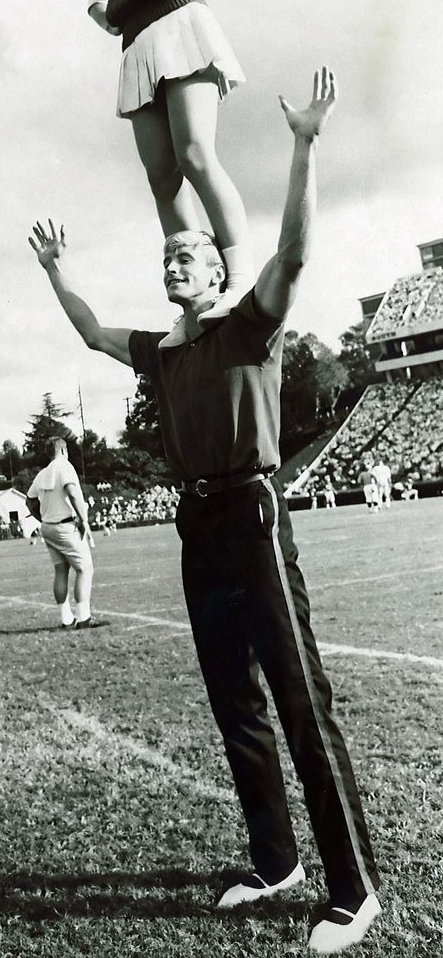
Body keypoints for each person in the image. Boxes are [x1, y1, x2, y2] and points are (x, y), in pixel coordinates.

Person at [30, 69, 381, 954]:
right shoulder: (165, 350)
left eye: (187, 253)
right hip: (197, 526)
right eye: (166, 256)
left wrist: (302, 146)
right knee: (235, 700)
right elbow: (91, 332)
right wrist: (56, 270)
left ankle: (355, 889)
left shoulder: (246, 325)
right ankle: (276, 861)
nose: (173, 260)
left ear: (218, 266)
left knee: (300, 699)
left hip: (255, 514)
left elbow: (294, 254)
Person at [89, 0, 264, 321]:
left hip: (180, 25)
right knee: (162, 178)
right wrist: (119, 20)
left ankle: (239, 278)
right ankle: (194, 296)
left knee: (194, 155)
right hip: (137, 45)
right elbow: (96, 1)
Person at [26, 438, 100, 630]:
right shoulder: (64, 467)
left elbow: (30, 500)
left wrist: (42, 516)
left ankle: (66, 619)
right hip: (64, 526)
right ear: (64, 450)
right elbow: (72, 492)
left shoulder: (43, 473)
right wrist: (83, 520)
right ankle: (83, 618)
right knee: (85, 569)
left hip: (48, 527)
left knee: (61, 570)